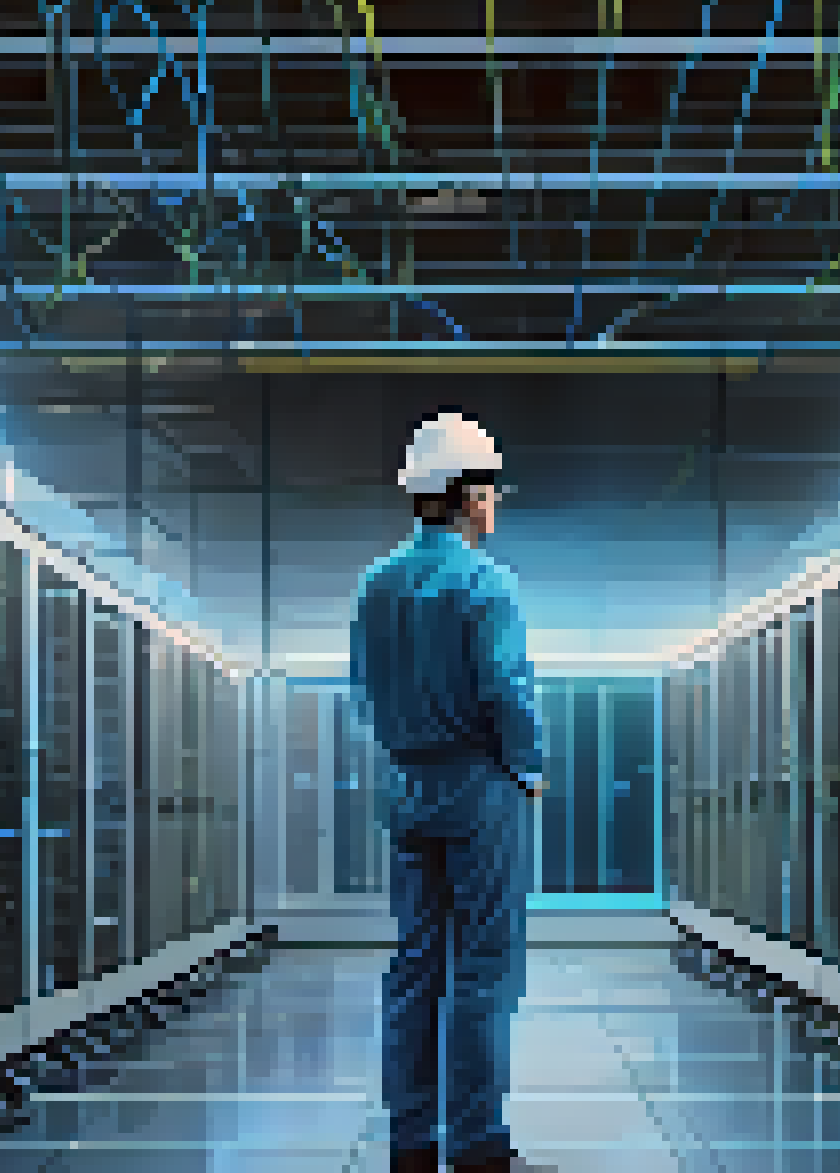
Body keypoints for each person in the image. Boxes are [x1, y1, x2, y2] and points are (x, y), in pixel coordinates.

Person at [348, 411, 550, 1173]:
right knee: (483, 970)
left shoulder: (376, 584)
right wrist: (527, 768)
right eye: (491, 492)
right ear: (466, 497)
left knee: (413, 966)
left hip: (407, 788)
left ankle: (409, 1140)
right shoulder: (485, 582)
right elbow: (508, 691)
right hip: (478, 786)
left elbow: (363, 692)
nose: (495, 506)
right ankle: (474, 1144)